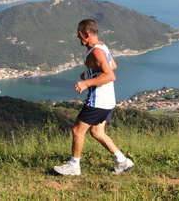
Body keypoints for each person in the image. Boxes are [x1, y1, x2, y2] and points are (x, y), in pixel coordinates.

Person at [54, 19, 135, 176]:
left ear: (87, 33)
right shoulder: (102, 46)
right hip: (107, 100)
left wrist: (86, 83)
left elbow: (111, 75)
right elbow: (112, 65)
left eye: (80, 35)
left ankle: (74, 166)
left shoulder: (96, 51)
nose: (78, 38)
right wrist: (90, 73)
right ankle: (122, 161)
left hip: (97, 100)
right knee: (97, 132)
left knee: (77, 130)